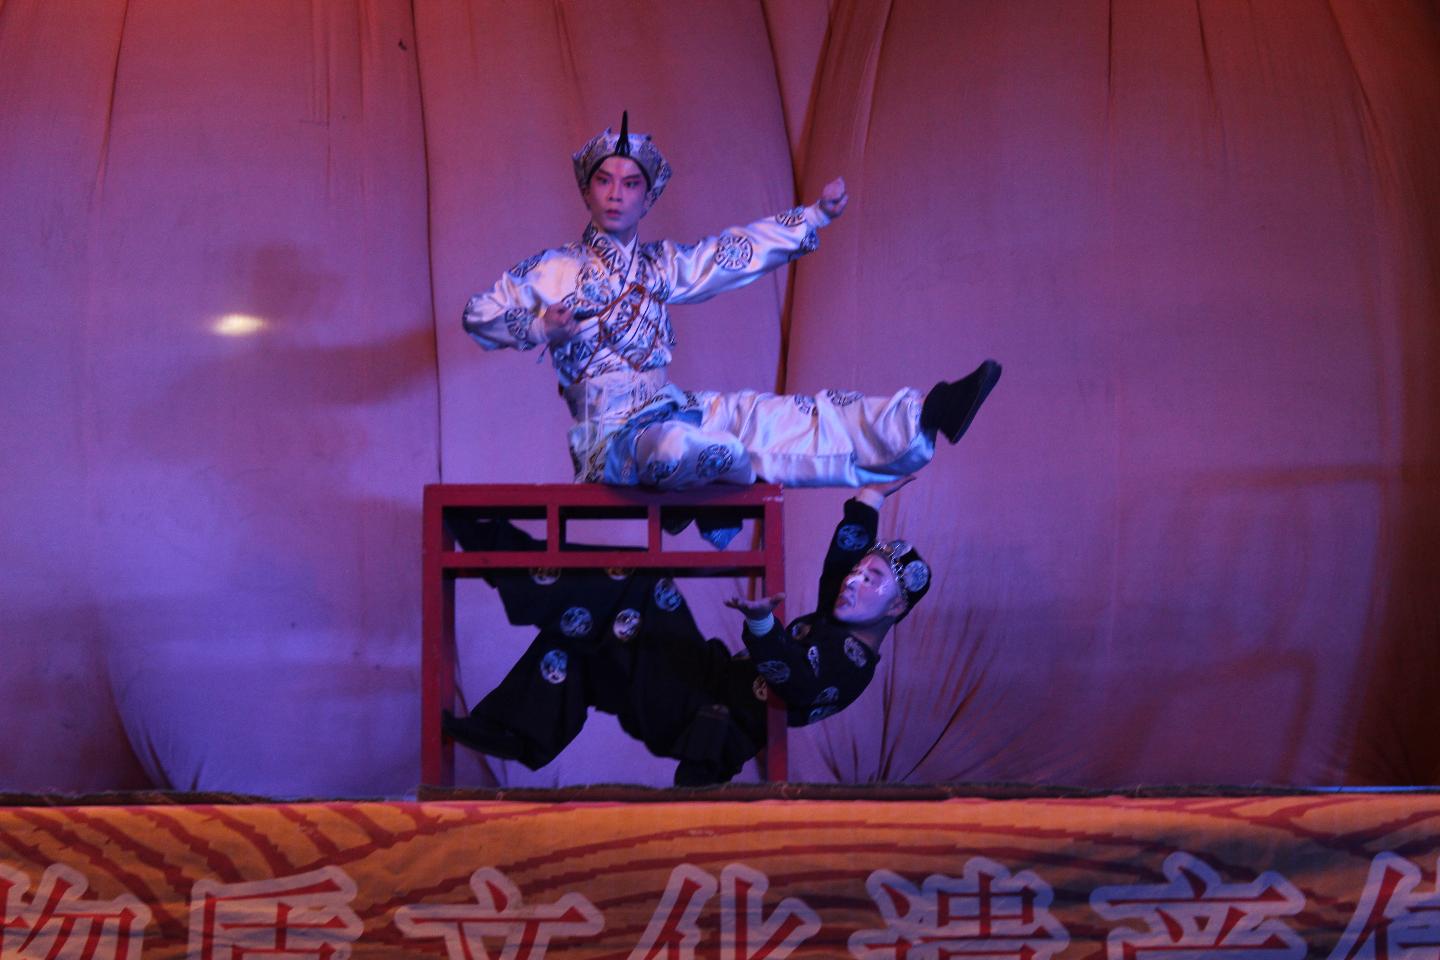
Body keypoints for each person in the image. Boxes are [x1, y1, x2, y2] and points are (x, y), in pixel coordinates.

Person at [462, 112, 1000, 489]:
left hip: (668, 404)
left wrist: (813, 217)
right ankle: (721, 464)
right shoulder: (553, 269)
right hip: (611, 441)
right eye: (604, 181)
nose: (615, 194)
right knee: (676, 446)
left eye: (630, 184)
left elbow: (728, 256)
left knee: (774, 415)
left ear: (647, 198)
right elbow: (478, 313)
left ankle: (921, 415)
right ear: (586, 191)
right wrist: (541, 327)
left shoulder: (659, 265)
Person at [442, 477, 929, 785]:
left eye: (872, 579)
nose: (853, 582)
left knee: (635, 586)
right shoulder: (838, 619)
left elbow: (796, 680)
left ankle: (498, 550)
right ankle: (515, 729)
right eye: (857, 572)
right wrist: (869, 499)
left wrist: (762, 624)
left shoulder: (852, 665)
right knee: (585, 632)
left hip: (702, 714)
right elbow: (841, 561)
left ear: (897, 606)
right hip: (699, 678)